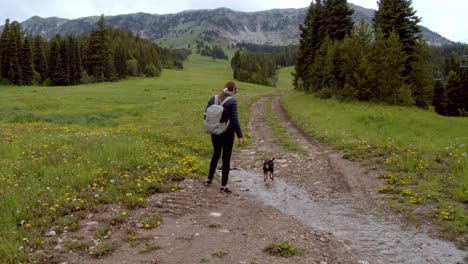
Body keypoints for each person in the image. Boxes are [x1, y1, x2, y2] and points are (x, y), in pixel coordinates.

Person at [204, 81, 243, 193]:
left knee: (216, 154)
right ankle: (223, 186)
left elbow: (206, 113)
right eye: (236, 90)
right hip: (227, 133)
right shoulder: (232, 101)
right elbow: (235, 121)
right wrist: (240, 135)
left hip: (214, 131)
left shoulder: (213, 98)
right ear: (233, 90)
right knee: (226, 158)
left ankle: (209, 180)